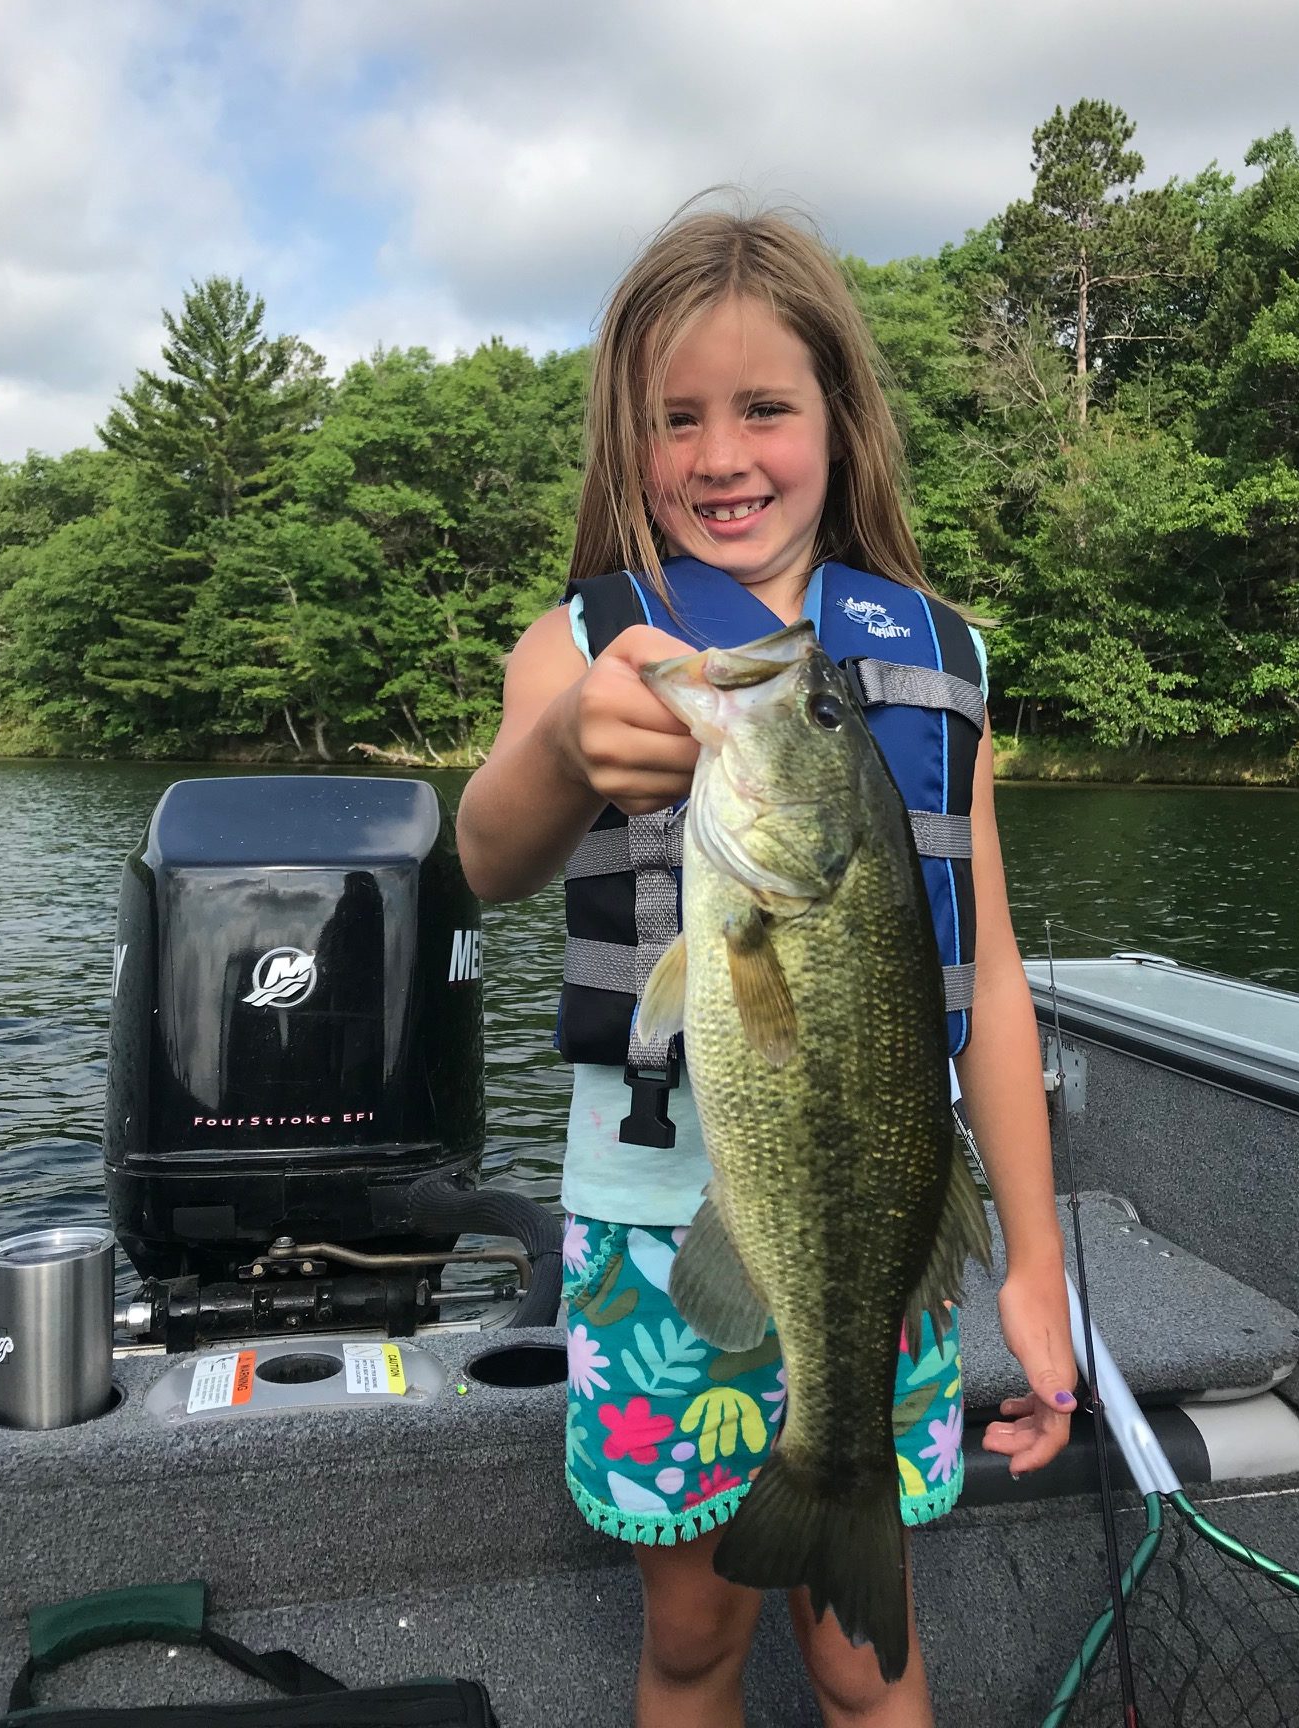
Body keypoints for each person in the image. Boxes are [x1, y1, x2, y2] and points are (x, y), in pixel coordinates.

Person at [457, 207, 1076, 1728]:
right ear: (631, 438)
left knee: (872, 1661)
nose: (721, 454)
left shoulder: (941, 655)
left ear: (837, 422)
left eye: (763, 408)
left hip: (883, 1229)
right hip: (655, 1235)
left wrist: (1037, 1264)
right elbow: (483, 854)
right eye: (678, 419)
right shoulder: (589, 642)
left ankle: (845, 1490)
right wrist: (559, 747)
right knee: (689, 1643)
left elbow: (985, 976)